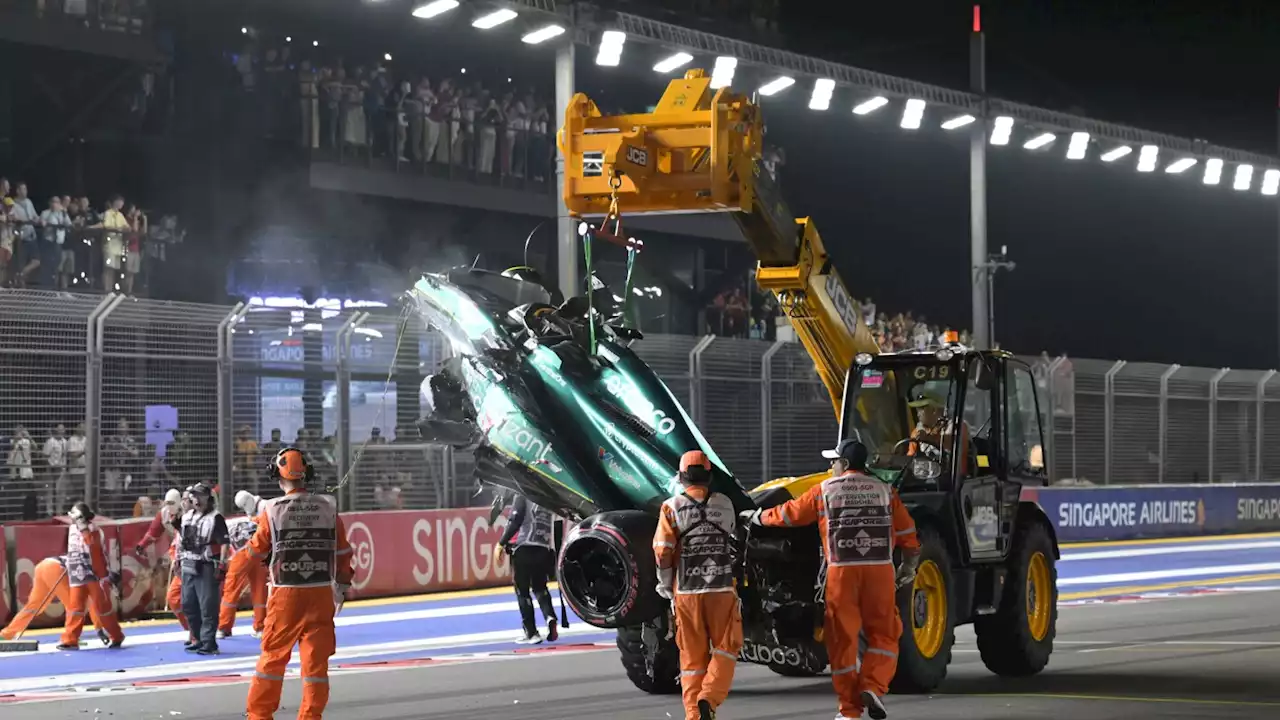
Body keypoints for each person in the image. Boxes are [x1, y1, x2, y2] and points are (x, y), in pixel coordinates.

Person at [743, 438, 921, 720]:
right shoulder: (886, 492)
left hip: (842, 574)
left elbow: (789, 515)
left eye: (834, 461)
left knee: (842, 642)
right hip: (879, 572)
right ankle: (873, 686)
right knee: (885, 634)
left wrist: (758, 518)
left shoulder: (824, 491)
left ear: (845, 464)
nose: (830, 465)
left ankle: (849, 711)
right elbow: (908, 534)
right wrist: (909, 566)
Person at [246, 448, 354, 720]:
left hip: (286, 595)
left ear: (276, 474)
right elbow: (342, 551)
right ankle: (310, 716)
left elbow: (256, 551)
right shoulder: (328, 506)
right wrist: (342, 584)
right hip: (320, 594)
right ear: (308, 472)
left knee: (272, 659)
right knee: (316, 666)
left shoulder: (271, 510)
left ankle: (260, 715)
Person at [653, 450, 742, 720]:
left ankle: (694, 715)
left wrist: (666, 586)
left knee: (691, 660)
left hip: (687, 593)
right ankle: (710, 697)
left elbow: (662, 551)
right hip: (722, 589)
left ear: (681, 478)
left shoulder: (671, 507)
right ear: (709, 476)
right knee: (727, 646)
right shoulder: (725, 504)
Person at [59, 502, 126, 650]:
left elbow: (93, 548)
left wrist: (83, 528)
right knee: (75, 608)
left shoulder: (94, 530)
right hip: (77, 574)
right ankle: (70, 639)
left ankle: (116, 635)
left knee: (102, 608)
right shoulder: (71, 529)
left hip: (95, 575)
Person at [495, 493, 559, 645]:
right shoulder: (546, 497)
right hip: (544, 548)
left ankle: (531, 632)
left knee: (522, 590)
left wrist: (501, 543)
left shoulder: (523, 494)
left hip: (524, 547)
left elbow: (516, 520)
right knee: (540, 587)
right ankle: (549, 616)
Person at [1, 555, 108, 643]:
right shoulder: (94, 575)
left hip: (43, 566)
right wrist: (99, 629)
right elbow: (93, 603)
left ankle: (6, 634)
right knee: (74, 606)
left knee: (34, 607)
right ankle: (70, 638)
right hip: (57, 568)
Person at [177, 483, 230, 655]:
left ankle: (209, 642)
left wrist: (222, 563)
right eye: (194, 496)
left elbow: (224, 542)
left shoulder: (216, 518)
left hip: (207, 565)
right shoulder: (186, 517)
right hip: (188, 564)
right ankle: (198, 638)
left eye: (200, 495)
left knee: (207, 605)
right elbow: (180, 539)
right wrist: (178, 560)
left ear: (208, 497)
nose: (197, 499)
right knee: (188, 603)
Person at [136, 487, 190, 639]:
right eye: (167, 503)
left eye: (172, 503)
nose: (169, 506)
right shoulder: (164, 513)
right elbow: (154, 531)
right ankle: (190, 629)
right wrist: (142, 544)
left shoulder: (190, 512)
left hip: (195, 558)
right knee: (174, 598)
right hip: (180, 557)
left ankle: (203, 630)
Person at [218, 491, 267, 639]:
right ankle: (260, 627)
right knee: (260, 590)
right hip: (259, 551)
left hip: (243, 552)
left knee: (232, 588)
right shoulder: (261, 510)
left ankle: (224, 626)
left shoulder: (221, 523)